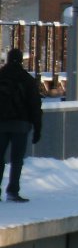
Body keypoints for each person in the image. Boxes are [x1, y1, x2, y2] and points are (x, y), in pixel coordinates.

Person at [0, 48, 42, 203]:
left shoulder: (1, 76)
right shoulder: (27, 79)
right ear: (21, 60)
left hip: (1, 125)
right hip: (21, 125)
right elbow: (35, 106)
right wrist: (38, 128)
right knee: (16, 160)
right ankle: (12, 191)